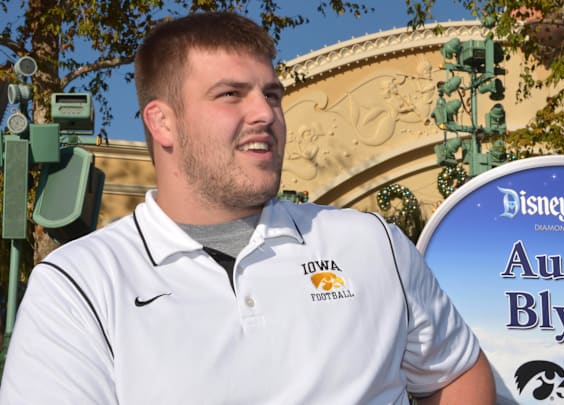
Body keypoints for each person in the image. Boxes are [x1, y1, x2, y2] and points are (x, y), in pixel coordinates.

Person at [0, 12, 496, 404]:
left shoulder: (373, 243)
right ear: (163, 123)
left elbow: (457, 371)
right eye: (230, 95)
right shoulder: (80, 285)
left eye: (271, 94)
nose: (265, 113)